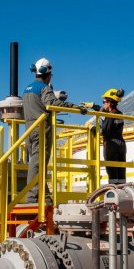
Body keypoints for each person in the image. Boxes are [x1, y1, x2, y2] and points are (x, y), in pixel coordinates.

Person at [22, 57, 85, 204]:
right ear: (48, 75)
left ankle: (44, 195)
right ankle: (31, 197)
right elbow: (52, 103)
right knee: (38, 163)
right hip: (41, 129)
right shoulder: (43, 88)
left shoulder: (27, 89)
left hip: (29, 129)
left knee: (37, 162)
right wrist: (75, 107)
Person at [100, 88, 127, 184]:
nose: (103, 104)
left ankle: (114, 189)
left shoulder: (110, 115)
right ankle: (122, 189)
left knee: (112, 171)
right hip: (121, 144)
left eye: (104, 101)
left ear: (109, 102)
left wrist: (92, 128)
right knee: (121, 171)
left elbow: (104, 131)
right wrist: (95, 107)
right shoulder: (119, 114)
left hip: (111, 145)